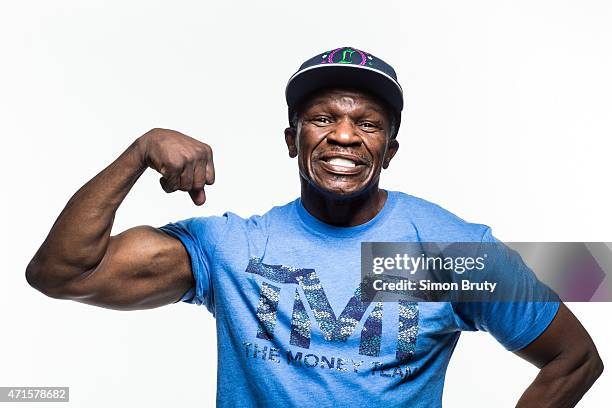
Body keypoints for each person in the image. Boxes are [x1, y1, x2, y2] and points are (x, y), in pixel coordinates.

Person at [26, 46, 602, 407]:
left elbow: (574, 359)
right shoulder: (232, 248)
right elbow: (61, 273)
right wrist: (139, 152)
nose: (345, 136)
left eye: (368, 123)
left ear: (391, 149)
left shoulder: (450, 250)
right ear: (291, 140)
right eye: (323, 118)